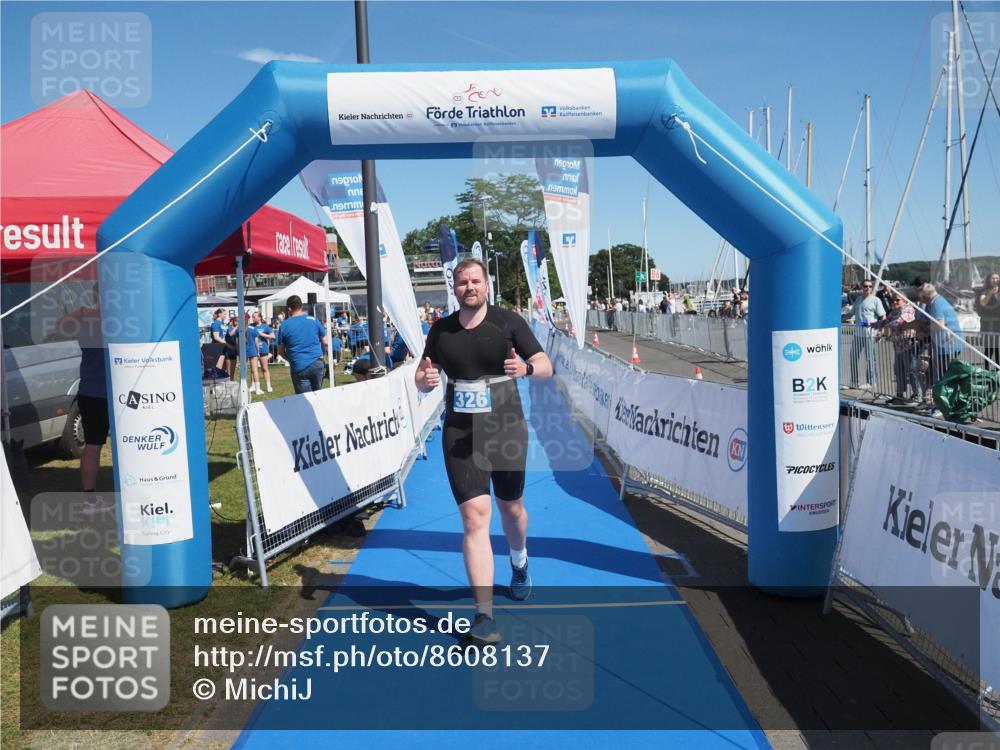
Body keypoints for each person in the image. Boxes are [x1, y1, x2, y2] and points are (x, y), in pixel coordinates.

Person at [414, 258, 553, 646]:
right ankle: (484, 615)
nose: (469, 287)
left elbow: (545, 365)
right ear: (454, 288)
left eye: (475, 280)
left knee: (511, 510)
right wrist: (424, 380)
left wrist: (525, 369)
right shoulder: (441, 329)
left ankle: (519, 559)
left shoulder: (508, 322)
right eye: (462, 282)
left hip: (506, 429)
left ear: (486, 285)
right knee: (475, 518)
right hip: (460, 433)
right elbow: (424, 374)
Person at [55, 284, 112, 514]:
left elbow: (59, 327)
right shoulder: (126, 319)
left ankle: (89, 499)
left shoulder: (85, 320)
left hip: (91, 391)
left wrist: (80, 311)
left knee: (92, 445)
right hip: (116, 393)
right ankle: (137, 492)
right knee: (128, 442)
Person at [916, 282, 965, 417]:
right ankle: (938, 403)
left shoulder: (937, 304)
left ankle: (943, 406)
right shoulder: (934, 303)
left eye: (920, 297)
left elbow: (939, 324)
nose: (919, 300)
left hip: (948, 345)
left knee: (943, 377)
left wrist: (925, 330)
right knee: (936, 374)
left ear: (925, 296)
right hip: (944, 345)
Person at [871, 293, 921, 406]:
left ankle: (918, 396)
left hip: (909, 345)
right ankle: (899, 395)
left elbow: (898, 322)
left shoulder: (908, 310)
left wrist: (884, 328)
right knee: (899, 371)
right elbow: (886, 321)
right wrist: (871, 324)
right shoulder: (894, 311)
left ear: (904, 301)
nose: (894, 302)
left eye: (897, 300)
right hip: (898, 346)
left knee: (912, 370)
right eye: (893, 300)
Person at [275, 295, 329, 394]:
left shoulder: (284, 325)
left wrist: (291, 360)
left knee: (304, 401)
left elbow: (280, 352)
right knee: (318, 396)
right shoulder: (314, 320)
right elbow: (326, 343)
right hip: (317, 362)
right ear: (301, 306)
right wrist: (322, 356)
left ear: (289, 308)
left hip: (298, 364)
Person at [849, 280, 886, 389]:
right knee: (853, 357)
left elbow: (883, 317)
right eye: (865, 286)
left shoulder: (876, 300)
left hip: (870, 334)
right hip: (858, 334)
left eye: (870, 286)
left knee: (870, 358)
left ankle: (871, 381)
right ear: (861, 287)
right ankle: (854, 381)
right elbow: (850, 314)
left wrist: (881, 330)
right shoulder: (858, 300)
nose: (868, 288)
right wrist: (837, 318)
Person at [974, 272, 1000, 369]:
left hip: (998, 323)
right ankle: (986, 370)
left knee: (998, 348)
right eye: (993, 278)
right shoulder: (984, 291)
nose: (995, 280)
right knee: (989, 348)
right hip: (987, 323)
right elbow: (983, 303)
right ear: (989, 280)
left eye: (997, 278)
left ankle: (998, 370)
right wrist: (990, 293)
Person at [252, 311, 275, 392]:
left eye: (255, 317)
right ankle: (253, 386)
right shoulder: (251, 326)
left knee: (264, 368)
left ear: (259, 318)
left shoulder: (265, 326)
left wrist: (263, 335)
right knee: (253, 369)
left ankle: (268, 386)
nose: (253, 318)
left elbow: (273, 336)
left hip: (263, 349)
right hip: (254, 350)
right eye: (252, 317)